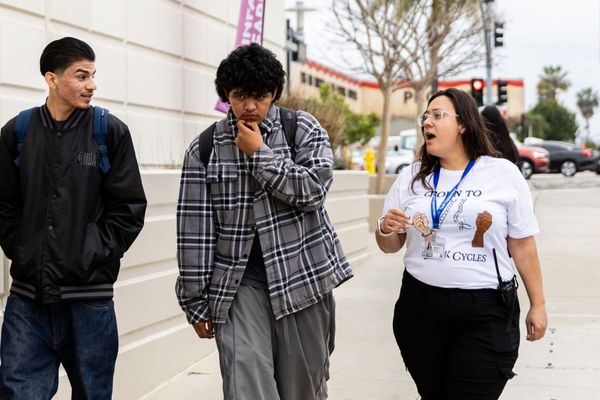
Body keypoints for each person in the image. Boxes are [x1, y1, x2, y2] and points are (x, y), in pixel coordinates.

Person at [176, 43, 352, 400]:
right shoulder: (205, 148)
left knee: (303, 389)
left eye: (260, 96)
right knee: (247, 388)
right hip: (238, 286)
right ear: (227, 95)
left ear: (273, 93)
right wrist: (194, 302)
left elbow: (313, 191)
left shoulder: (302, 129)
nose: (250, 107)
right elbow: (194, 232)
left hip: (302, 281)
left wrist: (261, 155)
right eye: (240, 96)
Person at [375, 88, 547, 400]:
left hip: (485, 311)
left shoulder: (502, 174)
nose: (428, 122)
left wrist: (539, 304)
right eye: (425, 117)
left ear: (463, 124)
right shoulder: (412, 176)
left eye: (437, 116)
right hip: (419, 309)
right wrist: (385, 229)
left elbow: (523, 245)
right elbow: (390, 245)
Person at [0, 37, 147, 399]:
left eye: (93, 75)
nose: (92, 85)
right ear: (51, 78)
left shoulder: (108, 132)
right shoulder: (17, 133)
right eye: (81, 76)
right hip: (27, 301)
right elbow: (4, 206)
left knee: (93, 394)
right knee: (17, 393)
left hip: (89, 300)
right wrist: (24, 251)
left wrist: (90, 253)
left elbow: (129, 208)